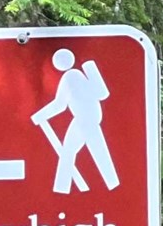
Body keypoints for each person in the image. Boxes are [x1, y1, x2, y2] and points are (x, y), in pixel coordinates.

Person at [30, 48, 119, 193]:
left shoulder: (70, 77)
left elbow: (60, 104)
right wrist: (39, 116)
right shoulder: (77, 75)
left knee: (73, 151)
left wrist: (39, 116)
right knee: (92, 151)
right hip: (90, 118)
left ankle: (62, 189)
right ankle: (111, 186)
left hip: (84, 119)